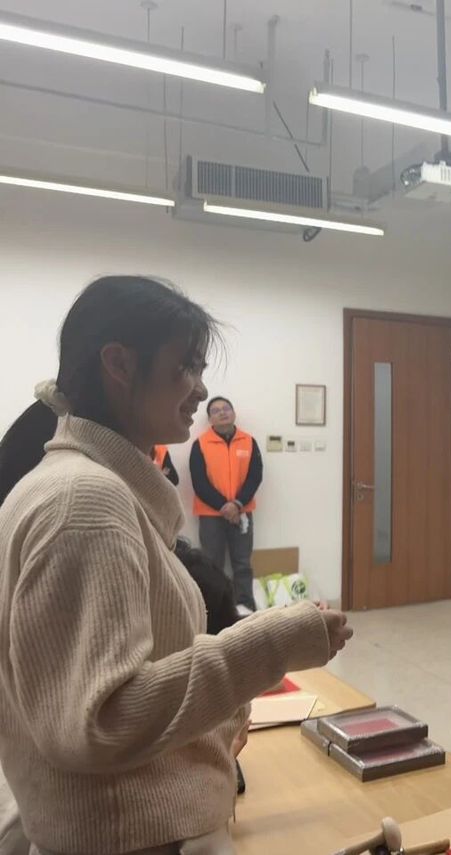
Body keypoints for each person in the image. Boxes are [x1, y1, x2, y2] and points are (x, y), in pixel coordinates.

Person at [0, 275, 353, 855]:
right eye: (185, 367)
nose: (200, 389)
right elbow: (103, 720)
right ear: (119, 363)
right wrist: (270, 644)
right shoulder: (85, 501)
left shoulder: (80, 486)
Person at [190, 397, 262, 612]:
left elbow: (255, 477)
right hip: (211, 515)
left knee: (242, 563)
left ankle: (246, 609)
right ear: (210, 419)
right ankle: (216, 611)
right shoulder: (200, 444)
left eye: (226, 408)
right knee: (212, 565)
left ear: (233, 413)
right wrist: (225, 506)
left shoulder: (249, 441)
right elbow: (199, 483)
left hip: (242, 513)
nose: (222, 412)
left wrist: (237, 505)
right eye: (216, 410)